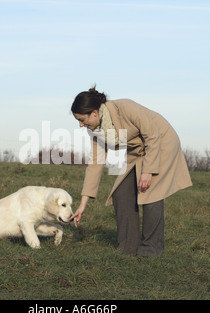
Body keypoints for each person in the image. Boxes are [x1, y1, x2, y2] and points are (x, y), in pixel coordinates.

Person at [69, 86, 192, 257]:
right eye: (78, 121)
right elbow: (95, 163)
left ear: (95, 113)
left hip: (162, 143)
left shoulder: (125, 108)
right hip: (137, 153)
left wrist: (148, 171)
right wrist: (83, 204)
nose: (81, 125)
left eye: (82, 120)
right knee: (121, 193)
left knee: (150, 192)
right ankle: (128, 248)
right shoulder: (96, 131)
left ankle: (151, 250)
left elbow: (153, 136)